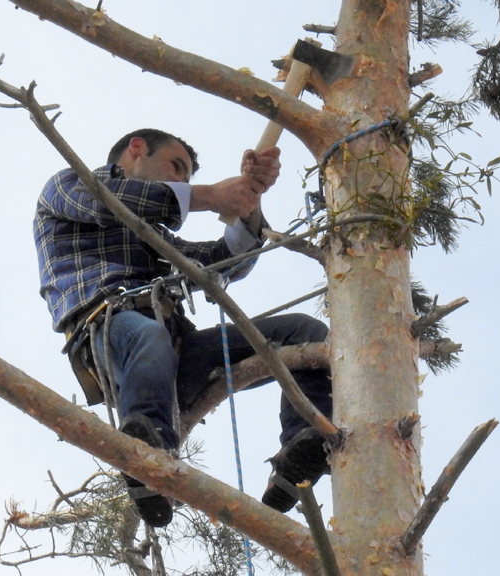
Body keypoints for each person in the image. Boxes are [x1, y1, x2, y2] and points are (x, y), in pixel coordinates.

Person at [33, 129, 333, 527]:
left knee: (302, 331)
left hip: (175, 353)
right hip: (110, 334)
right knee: (147, 334)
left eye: (187, 177)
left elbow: (224, 262)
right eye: (177, 167)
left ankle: (301, 451)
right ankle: (147, 456)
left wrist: (249, 200)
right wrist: (211, 196)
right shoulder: (68, 186)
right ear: (136, 148)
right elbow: (110, 203)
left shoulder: (154, 235)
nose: (181, 183)